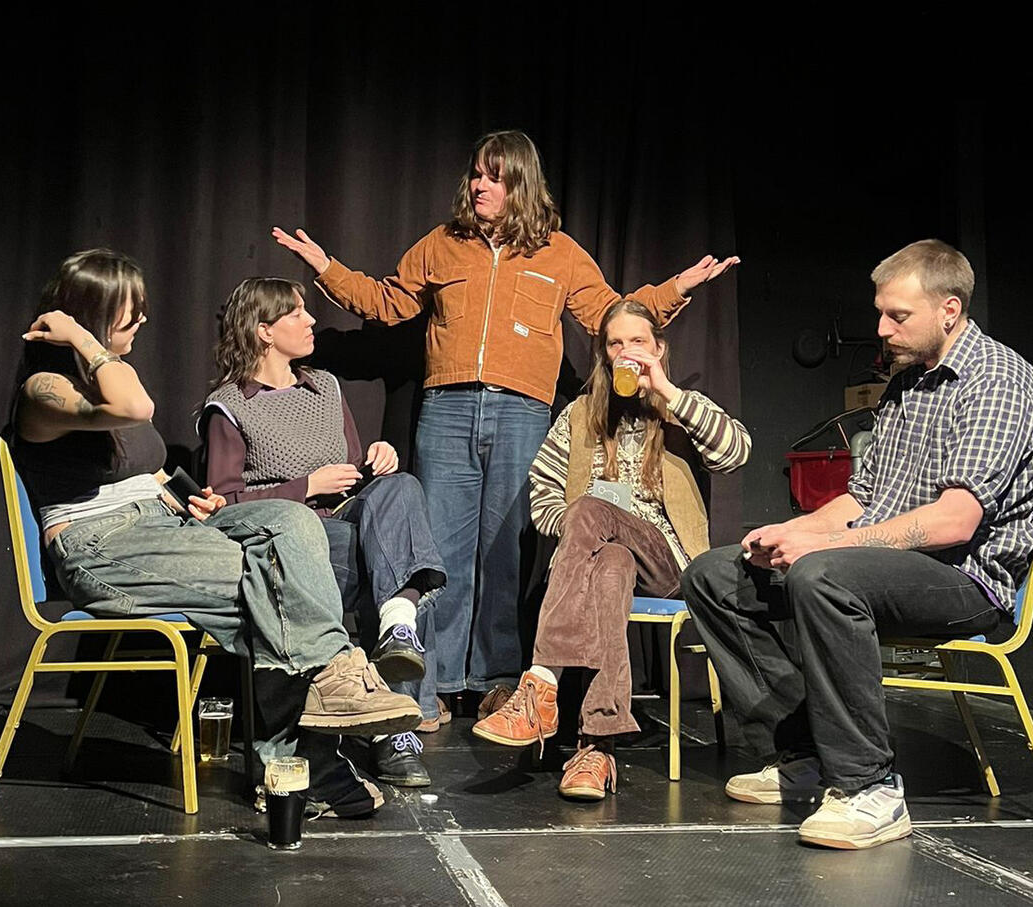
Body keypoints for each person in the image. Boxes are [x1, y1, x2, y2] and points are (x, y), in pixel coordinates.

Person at [272, 129, 739, 723]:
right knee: (440, 551)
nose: (478, 184)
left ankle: (497, 678)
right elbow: (389, 302)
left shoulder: (560, 253)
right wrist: (325, 267)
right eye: (476, 174)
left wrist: (676, 289)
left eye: (493, 175)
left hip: (522, 412)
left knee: (505, 552)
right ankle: (432, 685)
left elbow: (609, 313)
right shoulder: (442, 245)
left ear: (520, 182)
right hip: (446, 409)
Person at [11, 249, 420, 818]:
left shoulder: (106, 375)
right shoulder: (44, 391)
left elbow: (143, 467)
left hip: (165, 523)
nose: (144, 320)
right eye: (131, 311)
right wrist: (82, 338)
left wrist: (185, 497)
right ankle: (314, 736)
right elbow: (135, 406)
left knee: (294, 522)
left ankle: (308, 739)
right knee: (275, 586)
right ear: (93, 315)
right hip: (99, 547)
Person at [681, 240, 1033, 849]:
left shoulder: (1000, 381)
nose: (881, 329)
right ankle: (801, 755)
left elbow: (955, 522)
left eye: (897, 316)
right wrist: (792, 532)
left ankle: (869, 788)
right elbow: (862, 500)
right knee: (716, 575)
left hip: (966, 578)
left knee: (822, 577)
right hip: (888, 563)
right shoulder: (904, 388)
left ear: (950, 310)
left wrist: (829, 553)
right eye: (881, 312)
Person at [472, 299, 750, 800]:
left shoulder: (681, 406)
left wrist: (663, 388)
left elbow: (736, 451)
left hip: (669, 561)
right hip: (602, 556)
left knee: (594, 513)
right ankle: (596, 748)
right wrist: (580, 531)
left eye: (637, 341)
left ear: (658, 348)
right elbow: (543, 492)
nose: (626, 351)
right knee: (610, 562)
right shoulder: (580, 415)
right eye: (615, 343)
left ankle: (539, 683)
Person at [200, 276, 447, 787]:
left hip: (350, 522)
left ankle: (399, 627)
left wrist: (375, 459)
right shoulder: (229, 407)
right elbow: (224, 506)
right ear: (264, 331)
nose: (311, 321)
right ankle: (395, 730)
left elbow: (352, 469)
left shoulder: (326, 387)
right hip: (295, 545)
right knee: (378, 558)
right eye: (296, 314)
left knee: (399, 488)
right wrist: (304, 486)